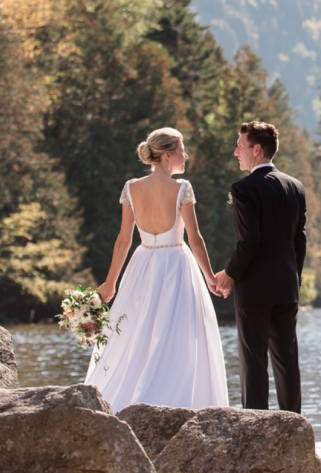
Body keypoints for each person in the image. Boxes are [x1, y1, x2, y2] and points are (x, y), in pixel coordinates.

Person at [85, 127, 229, 413]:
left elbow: (124, 240)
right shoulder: (182, 188)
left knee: (137, 332)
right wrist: (210, 276)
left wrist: (110, 282)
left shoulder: (131, 188)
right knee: (180, 335)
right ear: (167, 155)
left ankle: (127, 401)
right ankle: (179, 402)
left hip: (141, 265)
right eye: (181, 150)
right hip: (176, 264)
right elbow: (195, 238)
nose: (185, 155)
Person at [214, 121, 307, 412]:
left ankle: (255, 429)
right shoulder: (295, 186)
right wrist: (295, 278)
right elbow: (299, 241)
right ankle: (294, 426)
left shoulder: (244, 189)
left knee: (253, 362)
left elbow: (249, 241)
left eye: (240, 146)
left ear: (256, 149)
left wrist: (229, 274)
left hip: (255, 288)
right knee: (287, 360)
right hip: (287, 286)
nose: (235, 152)